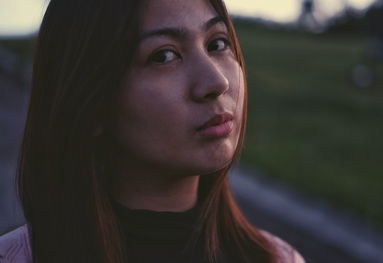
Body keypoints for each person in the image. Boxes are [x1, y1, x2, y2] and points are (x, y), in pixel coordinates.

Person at [0, 0, 306, 262]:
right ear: (90, 100)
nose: (216, 82)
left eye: (217, 44)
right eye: (164, 55)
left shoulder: (278, 259)